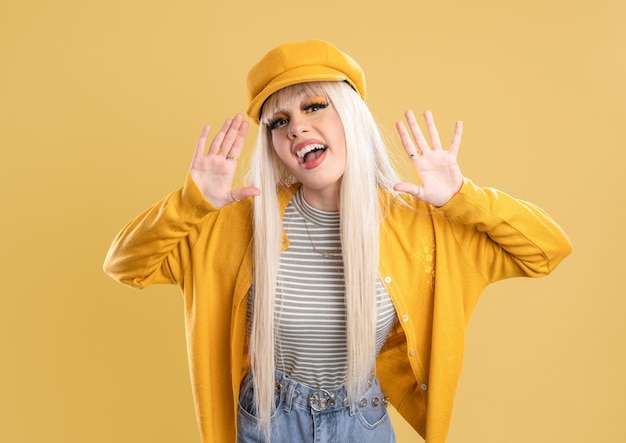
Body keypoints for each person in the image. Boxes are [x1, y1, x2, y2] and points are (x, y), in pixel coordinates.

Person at [103, 40, 572, 443]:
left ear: (350, 115)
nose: (297, 128)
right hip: (267, 419)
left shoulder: (418, 223)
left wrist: (461, 198)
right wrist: (191, 204)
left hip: (359, 421)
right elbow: (125, 265)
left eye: (313, 106)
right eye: (278, 121)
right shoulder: (238, 222)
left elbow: (546, 250)